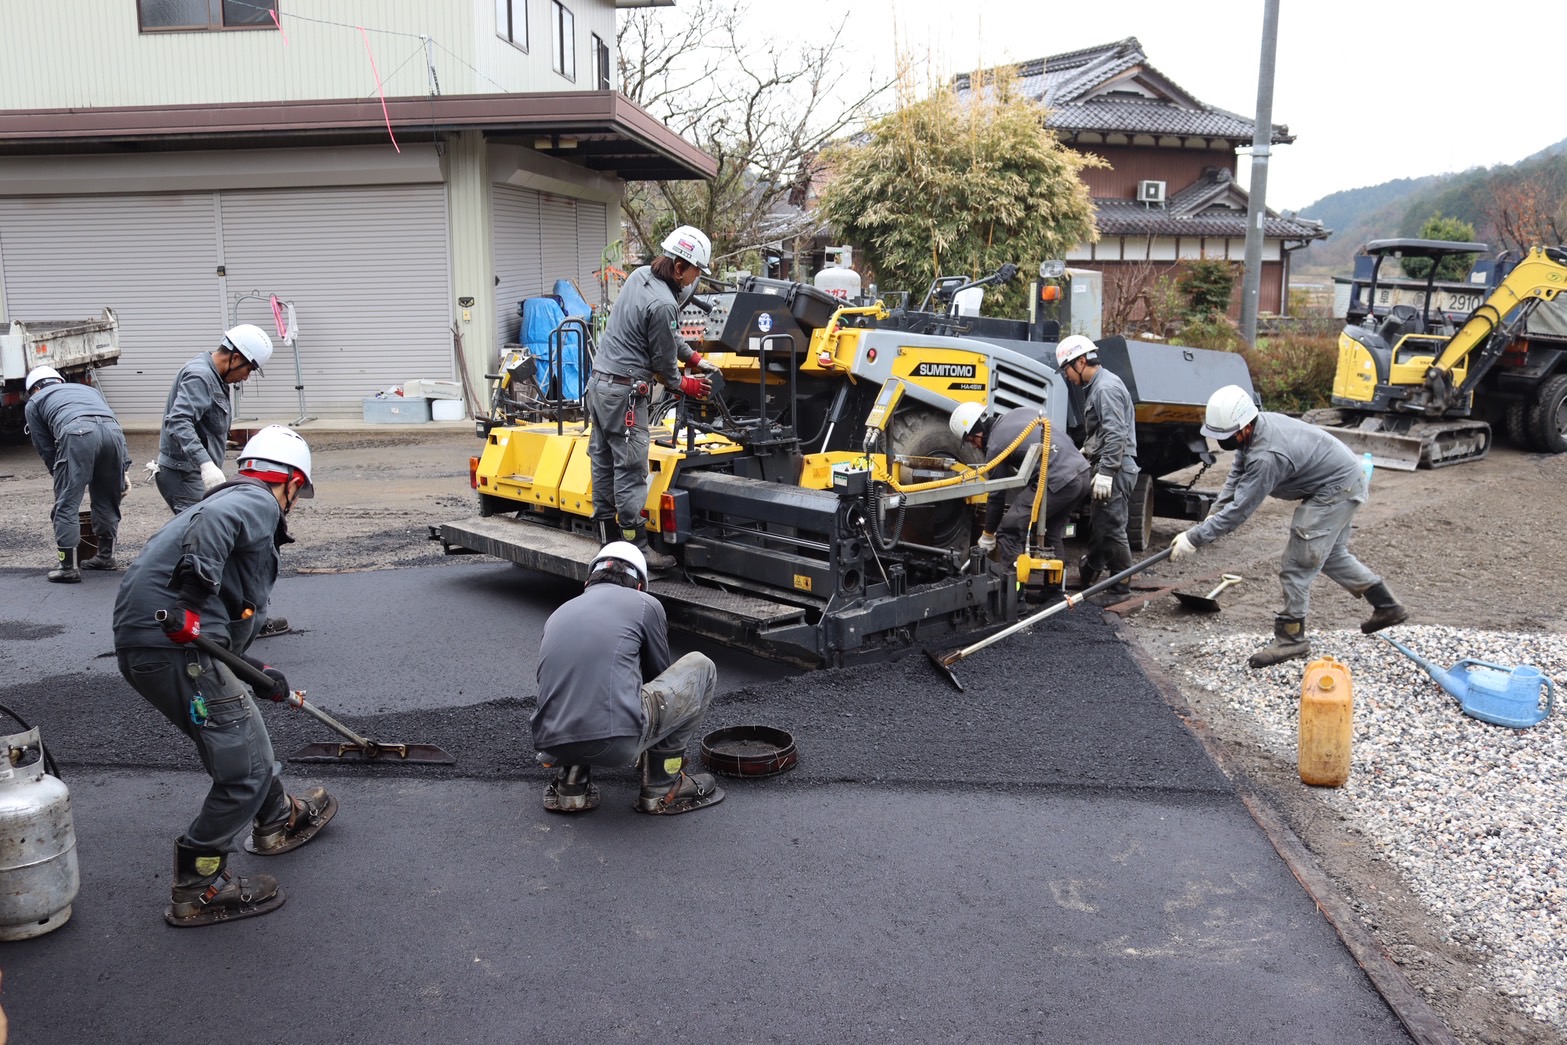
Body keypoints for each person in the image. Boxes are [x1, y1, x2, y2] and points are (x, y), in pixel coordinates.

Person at [112, 425, 336, 927]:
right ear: (292, 484)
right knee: (246, 770)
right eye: (298, 493)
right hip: (174, 646)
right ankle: (199, 884)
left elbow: (222, 629)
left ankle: (278, 818)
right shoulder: (253, 502)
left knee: (244, 734)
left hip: (158, 647)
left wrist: (256, 672)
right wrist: (191, 604)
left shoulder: (222, 503)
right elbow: (217, 526)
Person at [1169, 385, 1408, 668]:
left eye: (1226, 436)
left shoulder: (1267, 455)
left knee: (1297, 564)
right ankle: (1387, 606)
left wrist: (1195, 537)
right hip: (1343, 479)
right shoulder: (1256, 430)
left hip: (1335, 489)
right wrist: (1215, 512)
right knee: (1330, 555)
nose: (1223, 442)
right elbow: (1237, 474)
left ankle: (1291, 638)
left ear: (1245, 427)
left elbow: (1242, 510)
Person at [532, 541, 724, 816]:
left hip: (552, 744)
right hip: (614, 743)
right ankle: (662, 784)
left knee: (579, 684)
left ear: (588, 582)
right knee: (701, 666)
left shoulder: (559, 613)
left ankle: (570, 787)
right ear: (639, 586)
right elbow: (659, 677)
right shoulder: (645, 604)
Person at [585, 225, 717, 571]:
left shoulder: (640, 276)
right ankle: (636, 548)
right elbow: (662, 365)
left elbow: (667, 339)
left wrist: (696, 359)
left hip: (599, 385)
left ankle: (606, 539)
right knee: (630, 468)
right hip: (625, 395)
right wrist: (686, 385)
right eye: (695, 271)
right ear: (678, 267)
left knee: (601, 460)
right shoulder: (663, 303)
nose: (695, 279)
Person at [151, 324, 292, 637]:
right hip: (185, 475)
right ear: (236, 358)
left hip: (195, 474)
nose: (247, 377)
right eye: (249, 369)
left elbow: (206, 425)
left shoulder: (214, 378)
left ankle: (229, 617)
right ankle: (237, 622)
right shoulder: (200, 376)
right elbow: (179, 422)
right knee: (215, 548)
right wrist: (205, 464)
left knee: (218, 545)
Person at [950, 401, 1091, 572]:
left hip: (1059, 480)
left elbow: (997, 494)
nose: (973, 445)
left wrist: (988, 534)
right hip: (1082, 474)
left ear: (979, 428)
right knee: (1051, 530)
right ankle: (1054, 591)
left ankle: (1014, 591)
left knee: (1009, 530)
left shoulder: (995, 446)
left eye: (972, 439)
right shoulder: (1017, 413)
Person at [22, 366, 131, 582]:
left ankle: (67, 568)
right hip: (114, 434)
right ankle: (106, 557)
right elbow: (112, 421)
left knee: (67, 503)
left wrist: (61, 476)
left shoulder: (35, 402)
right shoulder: (89, 391)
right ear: (59, 381)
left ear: (34, 388)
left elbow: (45, 446)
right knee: (108, 500)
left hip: (78, 433)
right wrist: (123, 469)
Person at [1056, 334, 1139, 600]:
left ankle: (1121, 587)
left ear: (1081, 362)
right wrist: (1087, 450)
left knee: (1113, 528)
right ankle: (1090, 571)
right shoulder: (1099, 386)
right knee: (1103, 524)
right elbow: (1104, 432)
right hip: (1110, 466)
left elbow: (1116, 434)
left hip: (1115, 469)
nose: (1067, 376)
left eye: (1067, 369)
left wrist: (1105, 473)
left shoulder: (1106, 389)